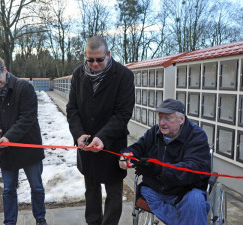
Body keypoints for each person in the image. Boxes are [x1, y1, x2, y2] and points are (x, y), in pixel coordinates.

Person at [66, 36, 135, 225]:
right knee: (91, 190)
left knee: (114, 193)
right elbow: (72, 109)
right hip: (87, 144)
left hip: (112, 143)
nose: (94, 64)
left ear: (108, 54)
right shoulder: (78, 74)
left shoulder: (124, 76)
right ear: (85, 56)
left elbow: (123, 114)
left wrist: (102, 137)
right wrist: (79, 134)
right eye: (90, 60)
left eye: (99, 59)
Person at [0, 55, 47, 225]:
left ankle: (40, 218)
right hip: (6, 151)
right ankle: (9, 222)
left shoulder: (24, 88)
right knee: (9, 189)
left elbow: (27, 118)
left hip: (29, 147)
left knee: (36, 187)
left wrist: (9, 136)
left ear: (5, 70)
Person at [120, 98, 211, 225]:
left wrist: (160, 169)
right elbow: (137, 148)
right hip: (155, 190)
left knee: (195, 201)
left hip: (185, 191)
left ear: (181, 119)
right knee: (146, 192)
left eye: (168, 118)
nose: (161, 123)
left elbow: (193, 168)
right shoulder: (154, 132)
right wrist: (126, 156)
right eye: (160, 118)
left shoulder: (196, 136)